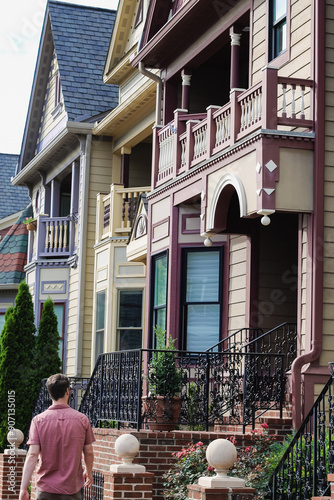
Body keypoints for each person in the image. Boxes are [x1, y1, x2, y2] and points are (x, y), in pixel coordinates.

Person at [19, 373, 95, 500]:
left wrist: (23, 488)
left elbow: (32, 455)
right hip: (72, 489)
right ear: (67, 391)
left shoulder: (38, 421)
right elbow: (89, 452)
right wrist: (89, 471)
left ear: (50, 393)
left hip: (45, 489)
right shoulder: (82, 420)